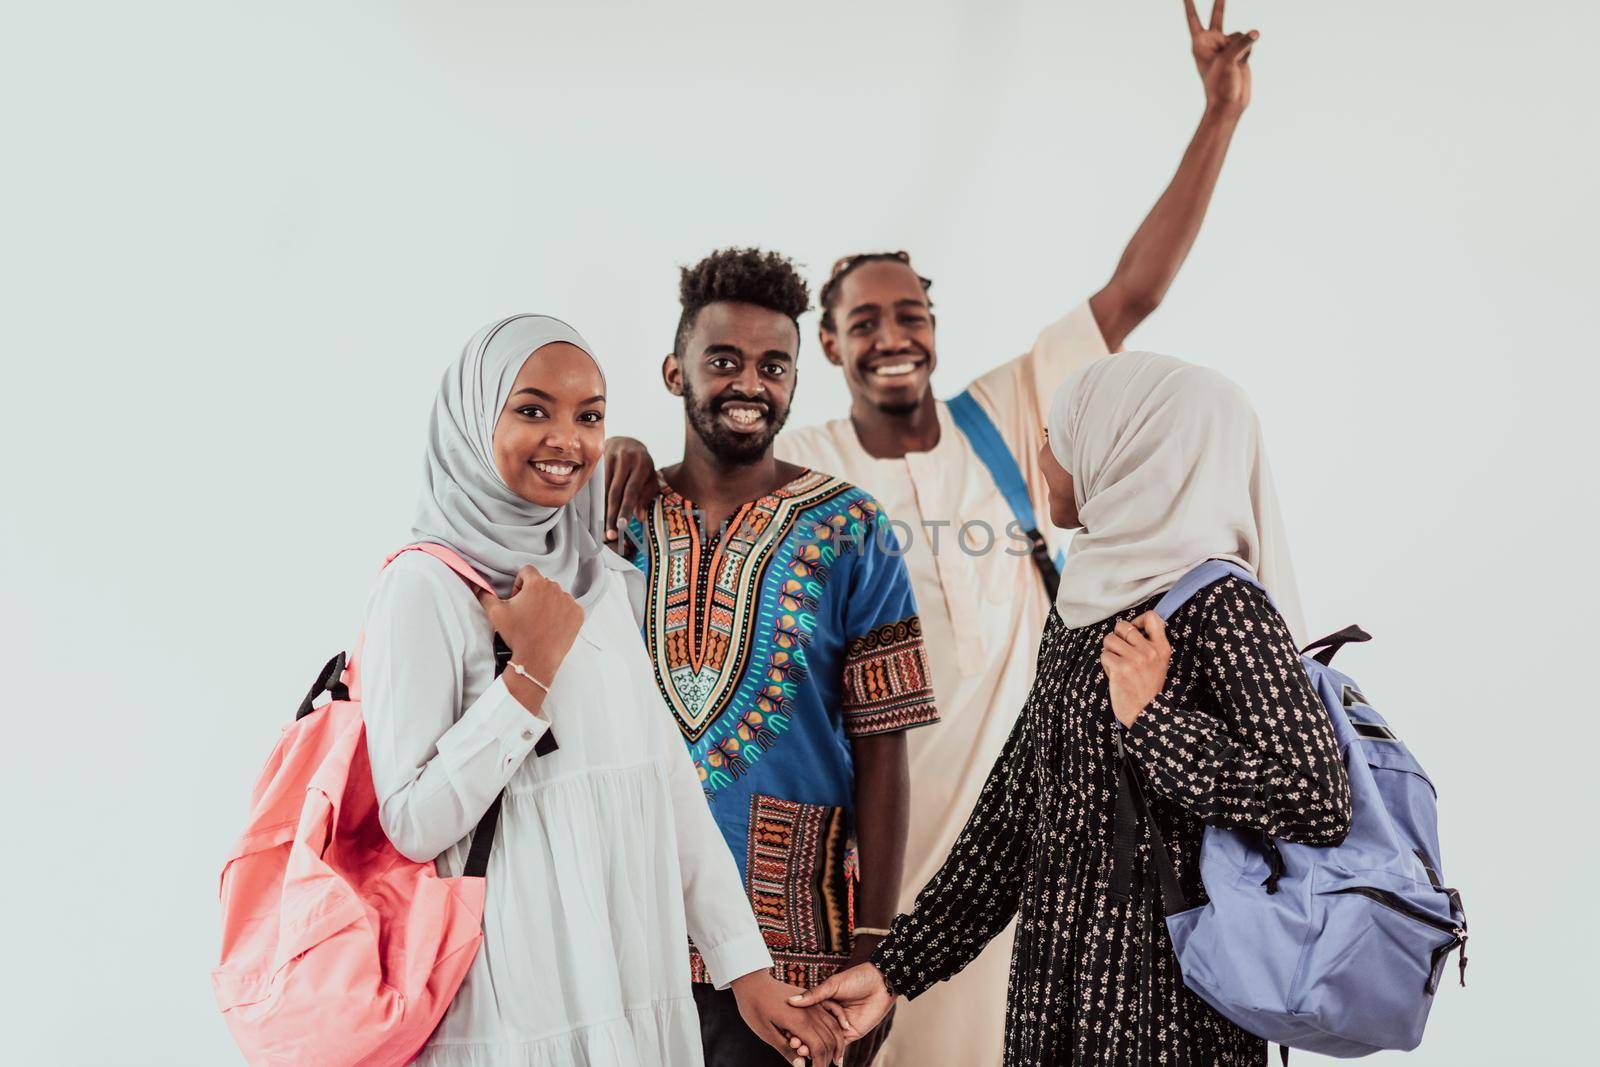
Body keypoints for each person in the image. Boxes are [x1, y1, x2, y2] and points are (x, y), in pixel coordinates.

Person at [603, 6, 1263, 1062]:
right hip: (870, 861)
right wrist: (619, 448)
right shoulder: (813, 459)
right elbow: (718, 441)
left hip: (1025, 836)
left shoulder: (1008, 419)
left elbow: (1132, 289)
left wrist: (1219, 114)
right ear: (826, 346)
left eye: (910, 313)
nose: (893, 334)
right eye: (864, 321)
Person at [792, 351, 1355, 1066]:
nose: (1043, 452)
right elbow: (1013, 819)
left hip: (1174, 1016)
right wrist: (895, 971)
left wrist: (1155, 725)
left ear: (1126, 447)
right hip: (1054, 1004)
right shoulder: (1085, 602)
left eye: (1059, 434)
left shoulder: (1225, 606)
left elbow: (1317, 798)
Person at [359, 314, 848, 1067]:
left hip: (630, 980)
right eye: (532, 410)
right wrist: (528, 674)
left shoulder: (596, 574)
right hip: (514, 1001)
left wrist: (744, 966)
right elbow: (413, 821)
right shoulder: (423, 586)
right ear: (471, 418)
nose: (567, 439)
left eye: (589, 416)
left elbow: (663, 782)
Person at [616, 249, 940, 1067]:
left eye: (773, 365)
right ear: (673, 370)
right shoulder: (618, 523)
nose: (749, 383)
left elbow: (884, 748)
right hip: (629, 944)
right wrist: (602, 454)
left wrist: (875, 942)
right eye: (723, 361)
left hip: (799, 953)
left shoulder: (853, 528)